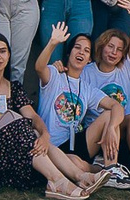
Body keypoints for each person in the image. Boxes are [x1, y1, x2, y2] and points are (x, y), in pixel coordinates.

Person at [0, 32, 102, 199]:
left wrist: (45, 136)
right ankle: (58, 180)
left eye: (2, 51)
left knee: (36, 134)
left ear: (9, 55)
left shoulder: (14, 87)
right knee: (21, 125)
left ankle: (80, 177)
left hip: (10, 155)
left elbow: (33, 116)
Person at [34, 22, 104, 174]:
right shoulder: (54, 74)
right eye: (77, 47)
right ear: (69, 52)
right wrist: (53, 43)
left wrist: (111, 128)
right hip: (51, 145)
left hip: (74, 143)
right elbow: (39, 67)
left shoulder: (87, 88)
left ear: (89, 59)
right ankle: (98, 170)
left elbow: (116, 106)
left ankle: (111, 168)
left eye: (86, 51)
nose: (81, 52)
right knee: (75, 163)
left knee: (110, 115)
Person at [85, 24, 130, 187]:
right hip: (99, 131)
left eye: (119, 49)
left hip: (125, 126)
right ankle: (110, 169)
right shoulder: (87, 71)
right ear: (101, 47)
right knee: (108, 114)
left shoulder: (126, 68)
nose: (114, 52)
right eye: (110, 46)